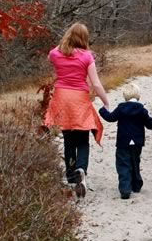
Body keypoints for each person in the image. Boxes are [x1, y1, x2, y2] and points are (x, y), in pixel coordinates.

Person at [44, 22, 110, 198]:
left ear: (68, 35)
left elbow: (52, 54)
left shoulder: (56, 54)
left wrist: (65, 42)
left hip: (61, 99)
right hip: (79, 99)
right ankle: (81, 168)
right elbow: (95, 83)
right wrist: (105, 101)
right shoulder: (87, 57)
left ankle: (71, 174)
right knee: (82, 139)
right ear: (85, 38)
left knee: (68, 140)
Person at [98, 83, 152, 199]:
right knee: (135, 162)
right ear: (138, 96)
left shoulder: (121, 108)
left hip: (123, 142)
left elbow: (110, 118)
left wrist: (102, 110)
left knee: (123, 164)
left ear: (125, 96)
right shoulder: (142, 110)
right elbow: (150, 124)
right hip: (137, 143)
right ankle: (136, 185)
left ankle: (125, 189)